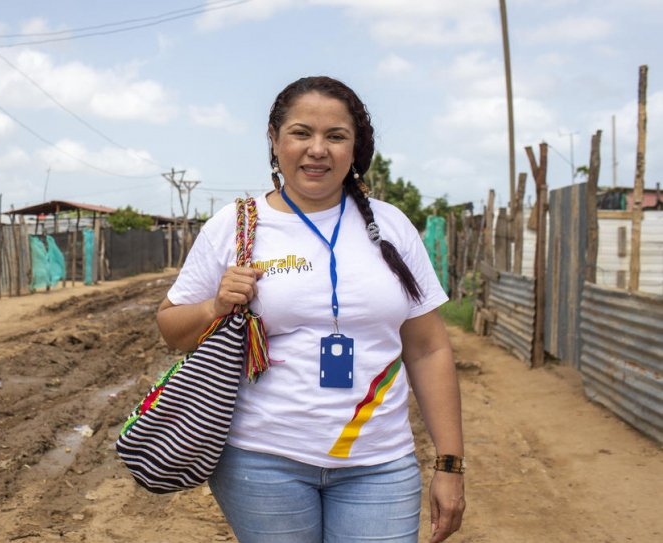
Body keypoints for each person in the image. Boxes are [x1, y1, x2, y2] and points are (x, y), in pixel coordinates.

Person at [156, 76, 465, 543]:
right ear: (275, 140)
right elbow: (171, 329)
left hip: (379, 463)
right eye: (301, 132)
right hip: (260, 461)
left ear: (355, 148)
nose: (317, 149)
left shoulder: (391, 226)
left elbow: (428, 350)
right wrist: (216, 305)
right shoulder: (234, 226)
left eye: (335, 136)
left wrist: (449, 464)